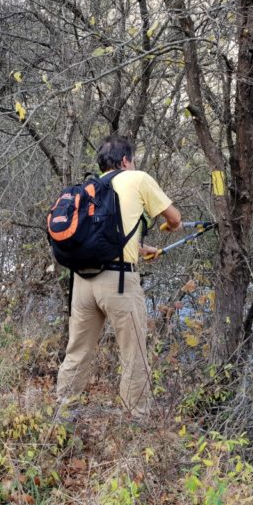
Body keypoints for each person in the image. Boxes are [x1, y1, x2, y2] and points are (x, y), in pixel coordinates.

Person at [56, 136, 181, 419]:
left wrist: (138, 247)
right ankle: (134, 421)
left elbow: (103, 236)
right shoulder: (137, 179)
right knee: (134, 353)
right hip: (120, 282)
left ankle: (63, 411)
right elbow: (174, 218)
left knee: (78, 350)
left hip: (83, 281)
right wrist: (170, 227)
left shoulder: (92, 188)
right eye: (132, 160)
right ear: (126, 160)